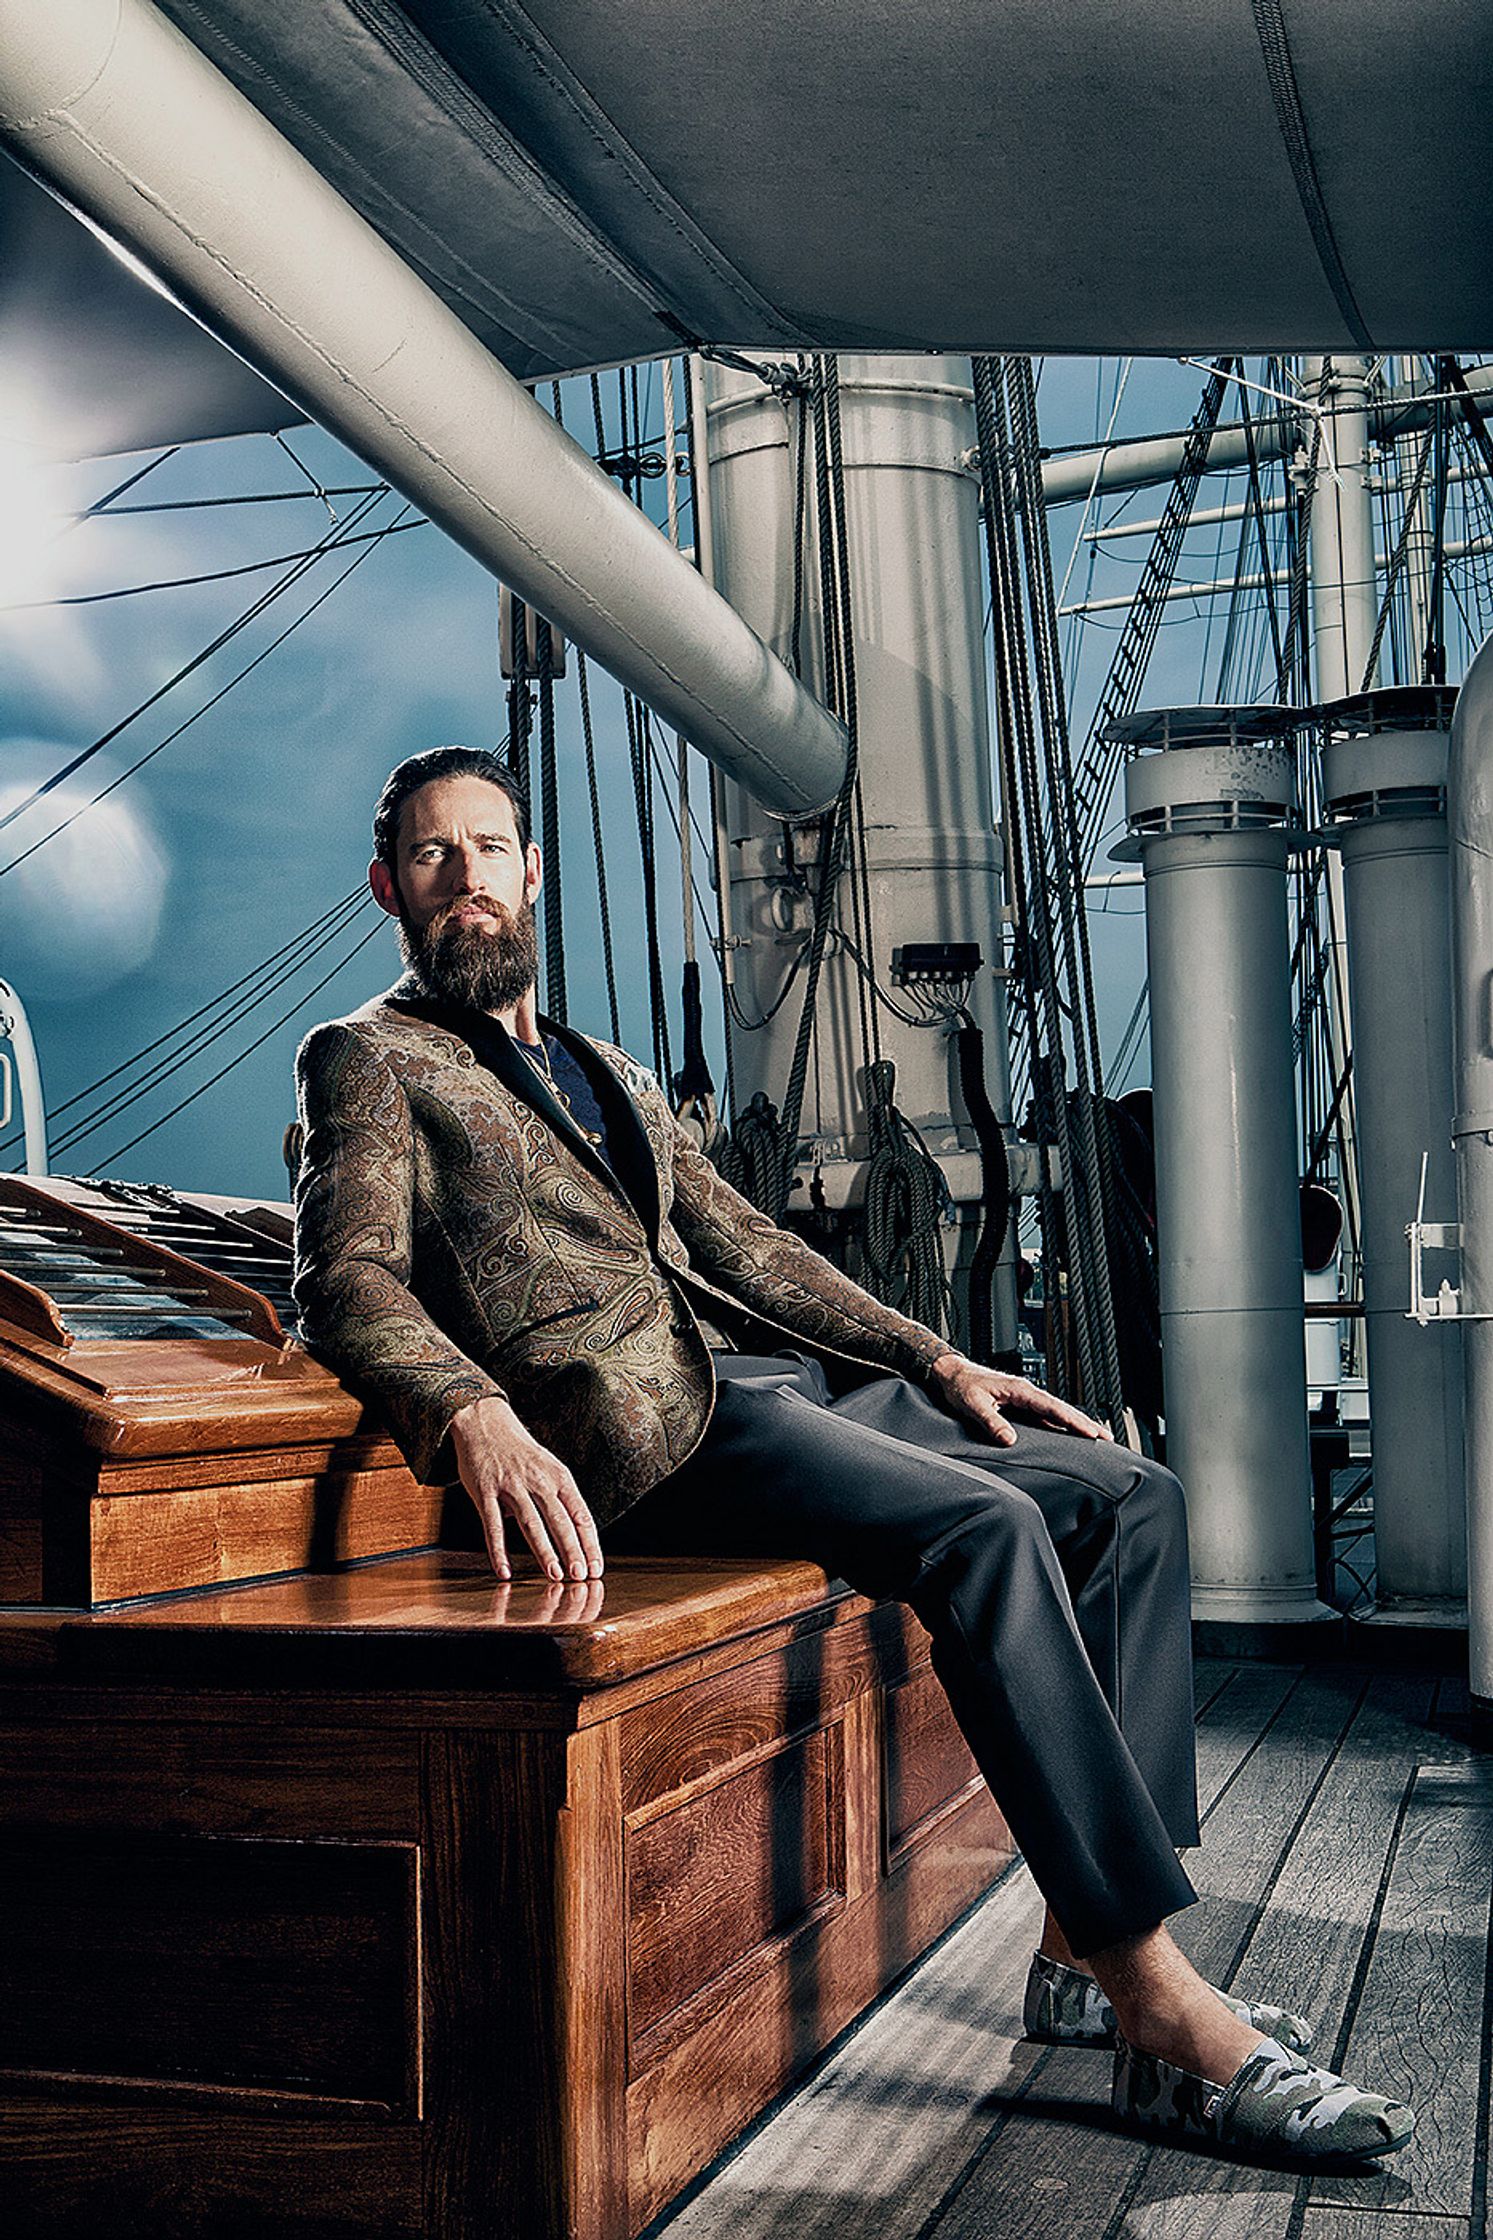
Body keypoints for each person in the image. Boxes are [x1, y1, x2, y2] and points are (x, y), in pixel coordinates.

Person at [293, 745, 1412, 2164]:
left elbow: (749, 1246)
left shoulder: (608, 1073)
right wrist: (469, 1408)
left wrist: (930, 1357)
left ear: (531, 872)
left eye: (487, 848)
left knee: (1125, 1497)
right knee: (987, 1534)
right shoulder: (370, 1059)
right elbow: (345, 1279)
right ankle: (1159, 2003)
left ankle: (1078, 1948)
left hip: (770, 1390)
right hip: (640, 1440)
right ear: (389, 887)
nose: (464, 878)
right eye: (431, 856)